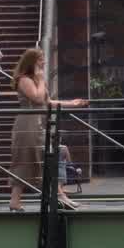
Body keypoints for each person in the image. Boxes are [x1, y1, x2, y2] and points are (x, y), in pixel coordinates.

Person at [9, 47, 84, 213]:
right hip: (28, 125)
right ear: (32, 61)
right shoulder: (25, 79)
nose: (43, 62)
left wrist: (71, 103)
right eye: (40, 59)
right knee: (27, 160)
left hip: (39, 123)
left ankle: (59, 195)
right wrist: (41, 79)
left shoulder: (35, 79)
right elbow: (36, 98)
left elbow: (47, 102)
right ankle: (56, 196)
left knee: (54, 155)